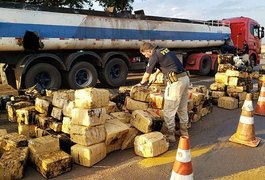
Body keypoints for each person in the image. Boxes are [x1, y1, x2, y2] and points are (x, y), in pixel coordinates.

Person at [138, 42, 190, 142]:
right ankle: (184, 131)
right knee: (182, 108)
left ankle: (170, 135)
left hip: (175, 83)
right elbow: (165, 63)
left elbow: (147, 74)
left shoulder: (154, 55)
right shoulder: (163, 50)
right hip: (184, 79)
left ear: (149, 50)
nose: (146, 56)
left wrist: (141, 84)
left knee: (169, 110)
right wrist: (157, 73)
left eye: (145, 54)